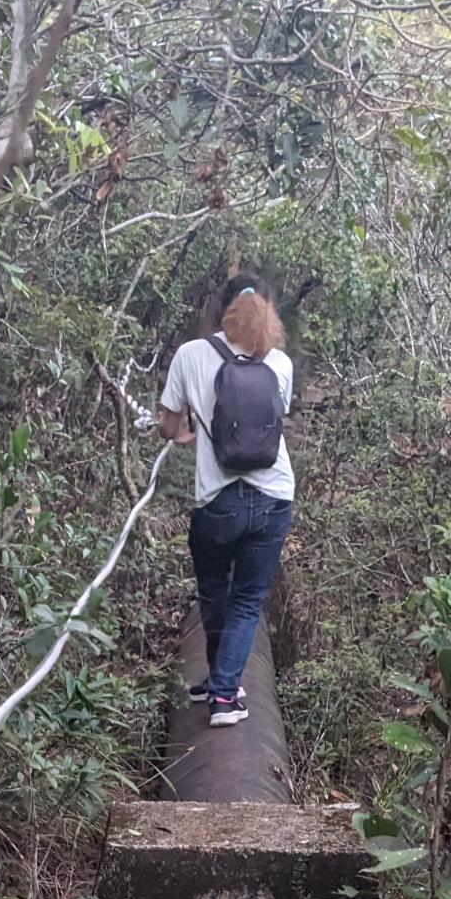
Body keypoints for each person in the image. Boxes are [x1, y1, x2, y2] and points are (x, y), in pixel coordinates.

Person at [157, 273, 294, 725]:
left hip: (217, 499)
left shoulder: (191, 355)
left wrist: (185, 431)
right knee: (248, 600)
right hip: (273, 494)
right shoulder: (279, 362)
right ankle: (223, 689)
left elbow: (169, 426)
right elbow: (272, 422)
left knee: (214, 592)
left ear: (220, 309)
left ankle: (220, 692)